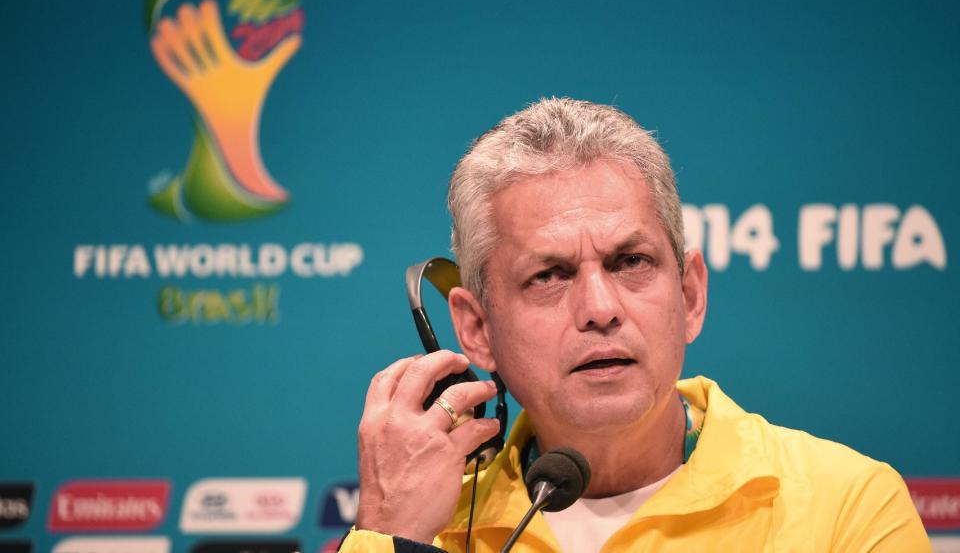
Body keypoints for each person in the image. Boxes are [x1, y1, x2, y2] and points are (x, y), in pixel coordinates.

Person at [339, 98, 930, 552]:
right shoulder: (429, 532)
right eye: (549, 275)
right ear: (476, 330)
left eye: (631, 262)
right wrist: (390, 533)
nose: (600, 307)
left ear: (690, 294)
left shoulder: (846, 508)